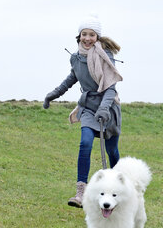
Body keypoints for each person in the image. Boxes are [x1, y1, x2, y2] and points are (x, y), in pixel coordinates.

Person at [43, 13, 123, 208]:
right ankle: (81, 193)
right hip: (88, 107)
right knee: (85, 143)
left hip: (108, 108)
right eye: (84, 34)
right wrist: (52, 95)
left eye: (92, 35)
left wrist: (104, 109)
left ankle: (121, 189)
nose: (87, 38)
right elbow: (71, 79)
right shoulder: (76, 58)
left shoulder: (105, 57)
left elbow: (110, 87)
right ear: (79, 36)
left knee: (112, 151)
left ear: (97, 37)